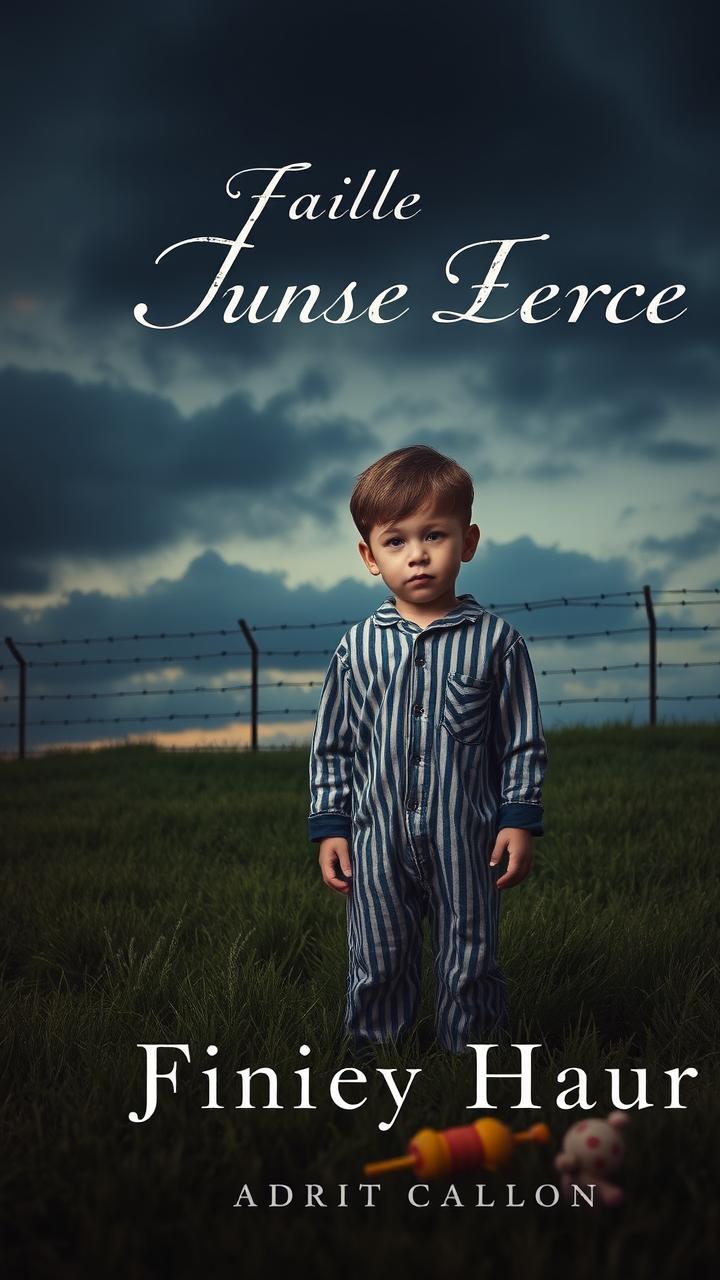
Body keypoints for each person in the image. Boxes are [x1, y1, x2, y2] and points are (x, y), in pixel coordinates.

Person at [308, 444, 548, 1054]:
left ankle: (474, 1066)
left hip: (466, 835)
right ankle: (370, 1064)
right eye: (395, 541)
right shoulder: (356, 649)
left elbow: (522, 741)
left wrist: (519, 819)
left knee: (471, 960)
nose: (416, 554)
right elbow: (333, 745)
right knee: (377, 958)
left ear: (466, 542)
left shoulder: (498, 644)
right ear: (369, 556)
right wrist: (332, 824)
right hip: (376, 838)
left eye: (434, 535)